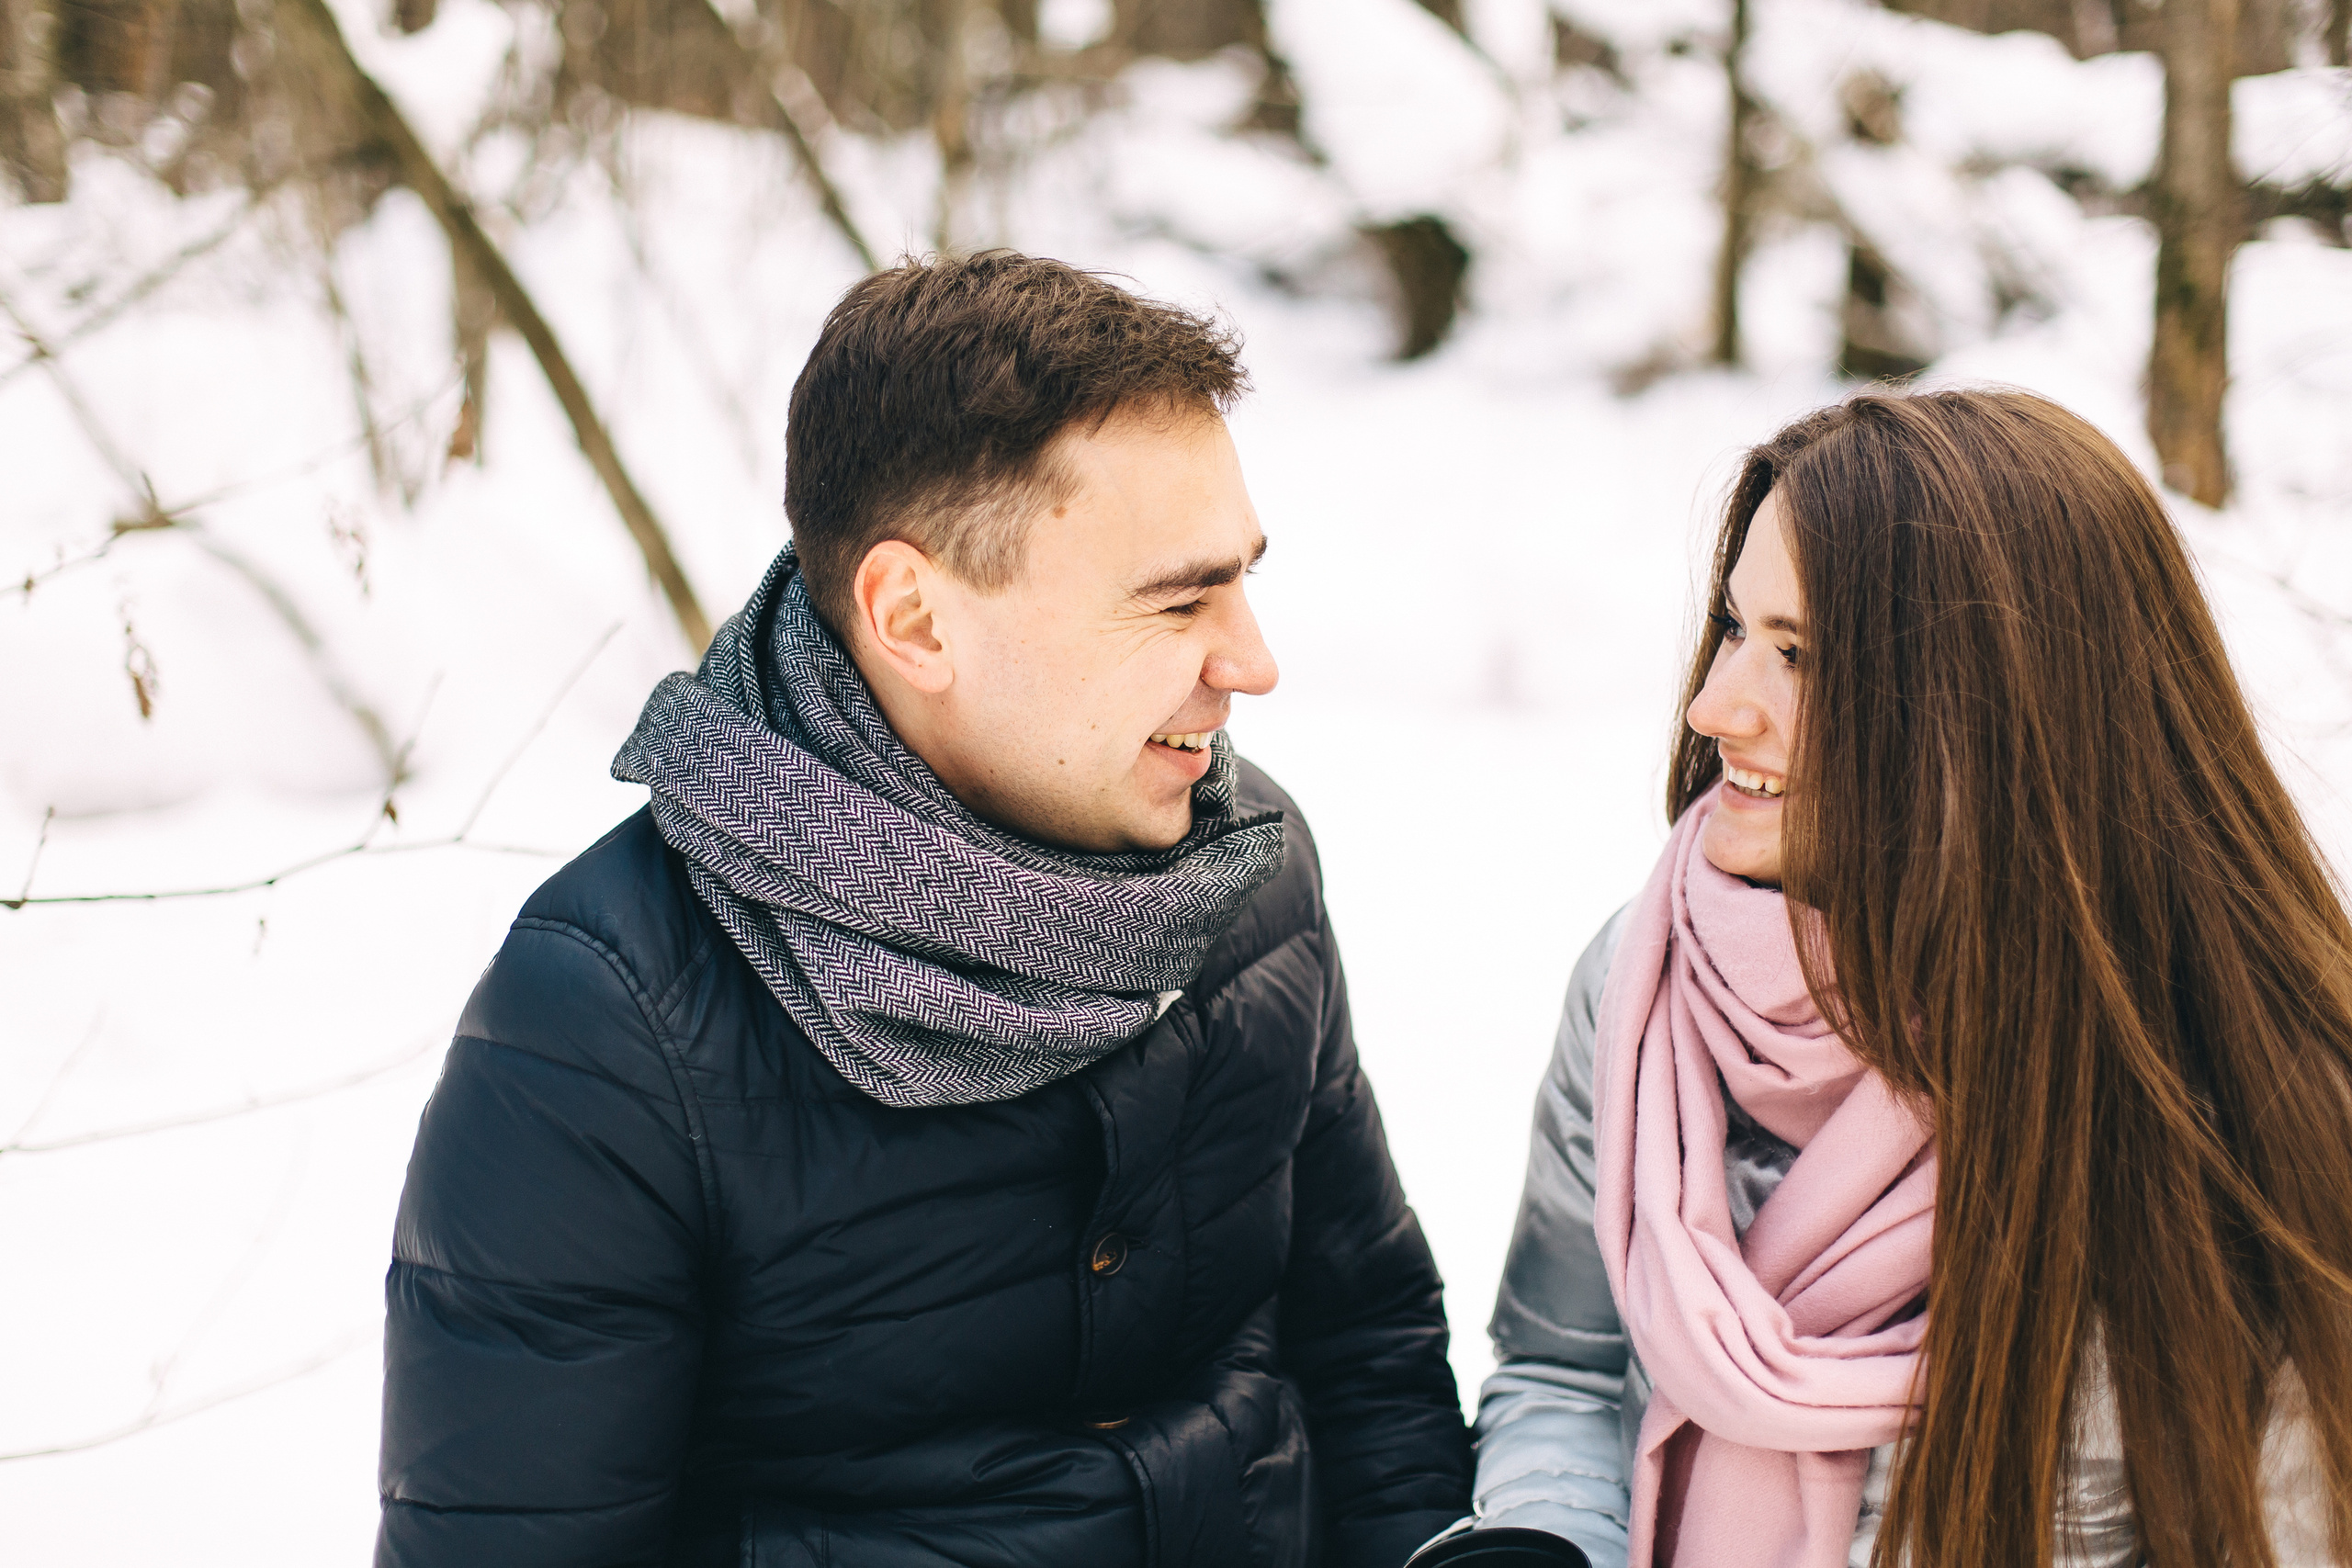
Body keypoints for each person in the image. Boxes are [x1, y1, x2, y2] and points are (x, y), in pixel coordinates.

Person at [375, 252, 1473, 1567]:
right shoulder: (610, 1023)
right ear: (916, 617)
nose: (1252, 659)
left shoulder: (1247, 872)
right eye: (1180, 598)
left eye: (1242, 577)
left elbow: (1368, 1347)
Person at [1450, 389, 2352, 1568]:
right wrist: (1540, 1543)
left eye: (1799, 655)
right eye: (1732, 630)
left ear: (1983, 708)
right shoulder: (1644, 985)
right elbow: (1562, 1366)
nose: (1713, 705)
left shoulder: (2234, 1097)